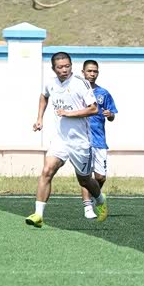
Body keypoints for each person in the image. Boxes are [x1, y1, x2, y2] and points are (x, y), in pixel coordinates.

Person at [25, 52, 108, 228]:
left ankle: (100, 200)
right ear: (53, 68)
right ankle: (38, 215)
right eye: (60, 67)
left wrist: (69, 114)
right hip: (60, 139)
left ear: (71, 66)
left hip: (80, 141)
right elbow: (44, 96)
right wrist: (39, 118)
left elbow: (93, 109)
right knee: (47, 171)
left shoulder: (80, 83)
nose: (64, 70)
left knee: (84, 180)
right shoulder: (50, 83)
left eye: (67, 66)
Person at [80, 60, 118, 219]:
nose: (92, 74)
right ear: (83, 72)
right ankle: (87, 207)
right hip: (82, 139)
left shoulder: (103, 93)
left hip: (99, 139)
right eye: (89, 71)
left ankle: (97, 196)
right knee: (86, 175)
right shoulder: (77, 91)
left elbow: (112, 115)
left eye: (95, 71)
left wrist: (110, 115)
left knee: (100, 177)